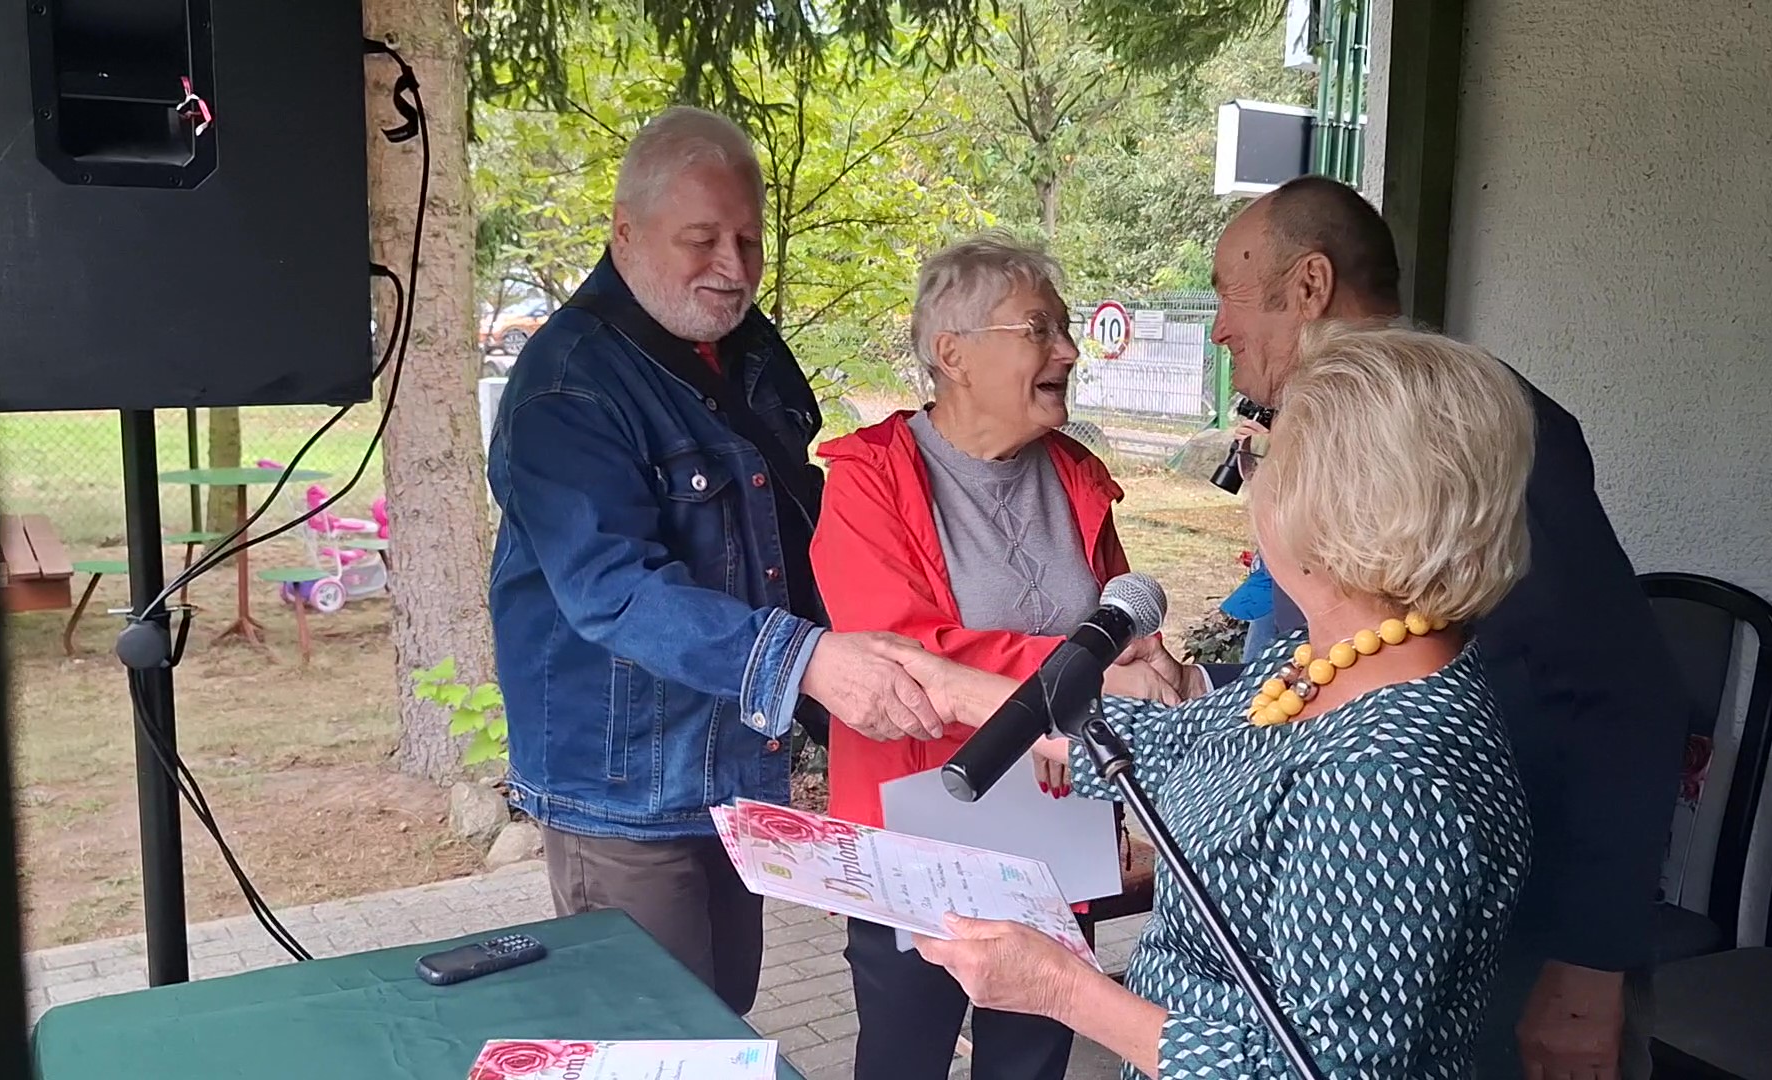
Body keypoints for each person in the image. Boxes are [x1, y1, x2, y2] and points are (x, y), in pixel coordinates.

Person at [901, 321, 1539, 1077]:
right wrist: (947, 684)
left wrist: (1060, 989)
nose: (1251, 484)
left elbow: (1316, 1071)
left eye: (1262, 458)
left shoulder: (1384, 781)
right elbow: (1163, 748)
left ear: (1333, 504)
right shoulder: (1331, 660)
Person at [1202, 176, 1689, 1079]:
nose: (1220, 328)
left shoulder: (1451, 430)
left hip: (1507, 955)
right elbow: (1334, 663)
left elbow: (1626, 696)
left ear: (1309, 286)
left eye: (1230, 294)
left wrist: (1587, 972)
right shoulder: (1336, 433)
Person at [484, 106, 948, 1016]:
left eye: (748, 240)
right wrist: (808, 661)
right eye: (701, 240)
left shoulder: (745, 349)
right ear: (624, 232)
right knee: (656, 1043)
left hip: (733, 768)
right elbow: (614, 592)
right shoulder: (565, 384)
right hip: (621, 789)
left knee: (723, 1015)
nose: (732, 268)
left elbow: (792, 523)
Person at [809, 232, 1180, 1080]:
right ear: (953, 354)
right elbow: (903, 653)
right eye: (1039, 329)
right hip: (919, 828)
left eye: (1065, 329)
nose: (1069, 350)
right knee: (903, 1057)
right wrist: (1083, 676)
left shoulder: (1077, 474)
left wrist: (1142, 667)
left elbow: (1120, 628)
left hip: (1055, 822)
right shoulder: (868, 477)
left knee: (1032, 1059)